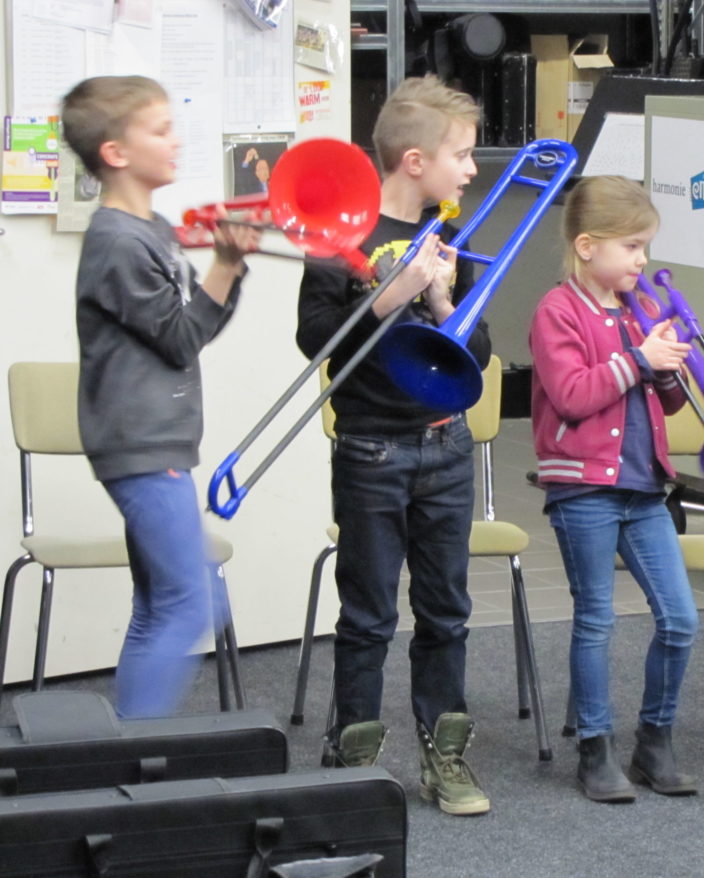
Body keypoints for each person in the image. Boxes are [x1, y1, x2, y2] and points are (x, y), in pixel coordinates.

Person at [296, 75, 490, 816]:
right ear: (415, 161)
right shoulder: (340, 234)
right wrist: (391, 294)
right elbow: (316, 339)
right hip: (372, 448)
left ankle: (446, 755)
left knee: (446, 612)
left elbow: (479, 350)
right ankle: (352, 761)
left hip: (446, 446)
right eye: (461, 155)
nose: (470, 169)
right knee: (369, 616)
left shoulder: (451, 236)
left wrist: (442, 299)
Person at [60, 75, 256, 718]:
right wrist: (223, 265)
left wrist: (230, 266)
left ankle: (130, 745)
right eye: (161, 130)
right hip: (141, 446)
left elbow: (196, 326)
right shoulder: (117, 240)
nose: (176, 140)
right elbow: (178, 340)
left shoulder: (155, 228)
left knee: (158, 607)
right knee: (192, 604)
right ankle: (137, 748)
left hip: (157, 442)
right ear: (116, 152)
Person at [529, 175, 700, 803]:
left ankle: (654, 740)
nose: (642, 260)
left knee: (680, 619)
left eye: (644, 246)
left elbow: (669, 403)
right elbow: (573, 395)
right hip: (584, 490)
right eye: (631, 246)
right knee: (596, 620)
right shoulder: (557, 311)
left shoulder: (639, 311)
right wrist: (639, 360)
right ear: (587, 246)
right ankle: (594, 748)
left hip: (644, 487)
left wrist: (670, 367)